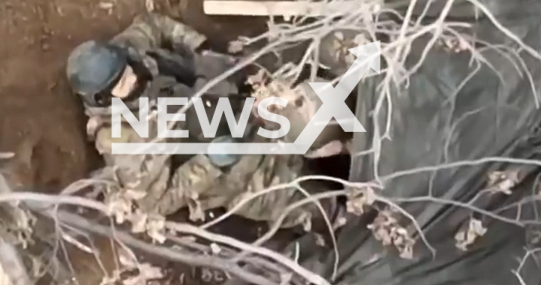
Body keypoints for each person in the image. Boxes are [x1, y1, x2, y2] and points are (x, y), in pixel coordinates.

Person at [66, 13, 338, 228]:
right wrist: (210, 163)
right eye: (122, 82)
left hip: (241, 109)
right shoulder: (120, 140)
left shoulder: (124, 53)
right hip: (238, 174)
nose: (133, 77)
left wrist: (200, 48)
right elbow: (156, 204)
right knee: (314, 208)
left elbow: (154, 24)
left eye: (127, 69)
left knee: (328, 121)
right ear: (102, 98)